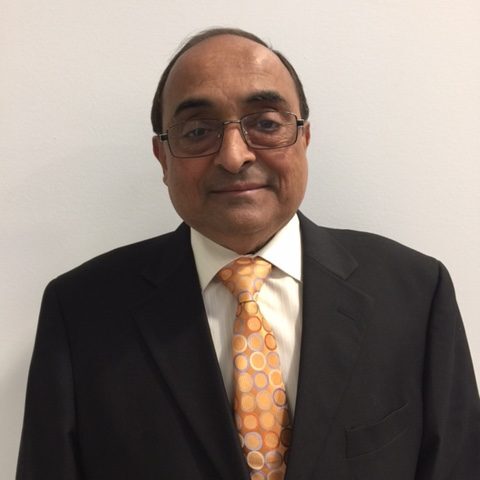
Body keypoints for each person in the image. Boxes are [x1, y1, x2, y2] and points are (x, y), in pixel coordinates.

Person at [17, 27, 479, 480]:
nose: (234, 156)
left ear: (305, 138)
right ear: (163, 158)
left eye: (265, 124)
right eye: (198, 130)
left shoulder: (416, 293)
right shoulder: (80, 311)